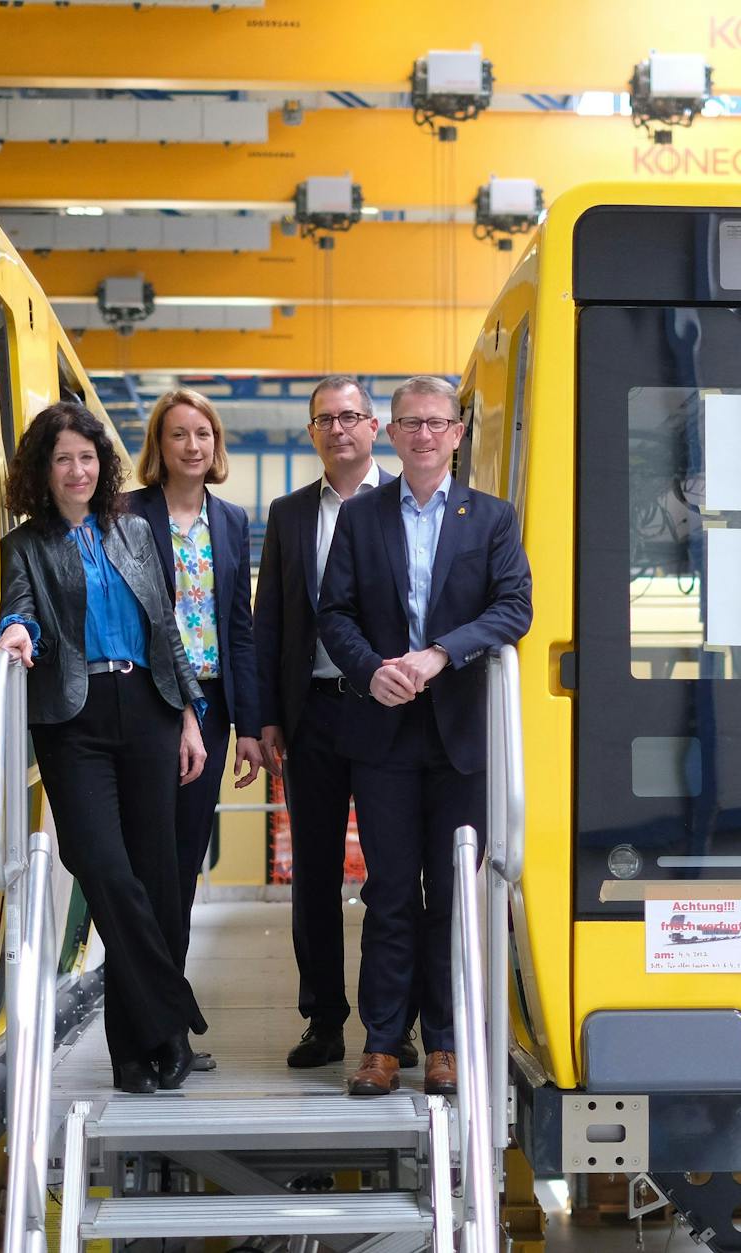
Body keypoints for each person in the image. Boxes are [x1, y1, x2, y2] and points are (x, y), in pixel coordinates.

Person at [317, 375, 533, 1097]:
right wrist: (371, 669)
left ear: (458, 431)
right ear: (392, 432)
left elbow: (514, 607)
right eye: (410, 422)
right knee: (388, 894)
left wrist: (442, 651)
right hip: (382, 732)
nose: (424, 435)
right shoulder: (361, 515)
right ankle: (382, 1044)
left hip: (460, 735)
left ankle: (443, 1042)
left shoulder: (492, 519)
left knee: (451, 894)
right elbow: (334, 613)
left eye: (437, 423)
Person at [0, 400, 210, 1095]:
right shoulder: (25, 545)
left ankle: (132, 1054)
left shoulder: (135, 532)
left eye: (87, 457)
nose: (78, 470)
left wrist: (186, 715)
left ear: (102, 464)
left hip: (146, 707)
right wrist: (17, 632)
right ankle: (173, 1018)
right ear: (43, 469)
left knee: (152, 878)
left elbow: (165, 627)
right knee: (106, 871)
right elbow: (20, 605)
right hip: (73, 717)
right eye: (64, 459)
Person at [252, 376, 417, 1071]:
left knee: (393, 874)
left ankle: (394, 1024)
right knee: (314, 874)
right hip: (313, 711)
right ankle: (322, 1019)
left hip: (388, 713)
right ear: (312, 431)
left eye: (350, 415)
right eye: (326, 418)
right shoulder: (290, 515)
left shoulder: (404, 504)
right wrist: (263, 718)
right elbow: (268, 623)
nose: (339, 428)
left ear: (374, 426)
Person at [123, 388, 261, 1078]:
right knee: (147, 870)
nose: (192, 445)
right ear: (160, 444)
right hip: (146, 702)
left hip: (210, 705)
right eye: (178, 434)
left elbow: (240, 627)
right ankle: (149, 1025)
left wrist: (249, 726)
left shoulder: (231, 522)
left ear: (216, 444)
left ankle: (167, 1019)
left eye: (203, 433)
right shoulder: (129, 515)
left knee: (181, 865)